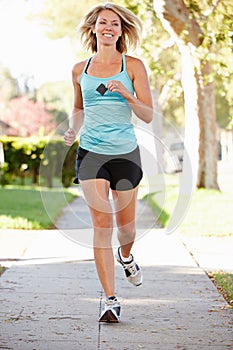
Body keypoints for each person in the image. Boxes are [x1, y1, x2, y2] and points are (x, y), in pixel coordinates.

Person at [64, 2, 153, 323]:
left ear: (121, 30)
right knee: (102, 225)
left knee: (125, 228)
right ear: (93, 28)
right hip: (91, 154)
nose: (109, 28)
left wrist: (127, 95)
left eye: (115, 24)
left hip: (126, 153)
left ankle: (126, 256)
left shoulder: (133, 66)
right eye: (103, 22)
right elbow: (78, 107)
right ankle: (110, 300)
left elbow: (147, 114)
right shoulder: (79, 69)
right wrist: (72, 129)